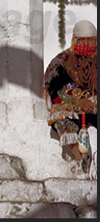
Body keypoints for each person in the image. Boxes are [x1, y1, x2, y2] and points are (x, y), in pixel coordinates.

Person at [44, 20, 97, 174]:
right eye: (82, 40)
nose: (86, 43)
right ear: (75, 40)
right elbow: (53, 87)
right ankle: (82, 159)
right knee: (61, 120)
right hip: (73, 109)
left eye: (90, 39)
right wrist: (78, 100)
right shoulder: (61, 62)